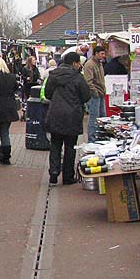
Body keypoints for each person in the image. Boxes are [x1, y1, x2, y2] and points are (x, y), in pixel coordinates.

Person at [44, 52, 91, 185]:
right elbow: (86, 96)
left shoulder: (53, 75)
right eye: (79, 64)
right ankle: (68, 177)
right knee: (70, 147)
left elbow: (47, 94)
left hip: (56, 114)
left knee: (55, 144)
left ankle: (53, 172)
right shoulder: (78, 77)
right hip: (72, 115)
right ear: (74, 63)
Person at [83, 45, 107, 142]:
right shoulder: (89, 64)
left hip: (100, 94)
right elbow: (88, 81)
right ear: (96, 54)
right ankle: (92, 140)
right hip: (94, 95)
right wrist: (95, 92)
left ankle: (100, 137)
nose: (103, 56)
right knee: (94, 118)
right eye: (102, 54)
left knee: (102, 117)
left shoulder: (99, 64)